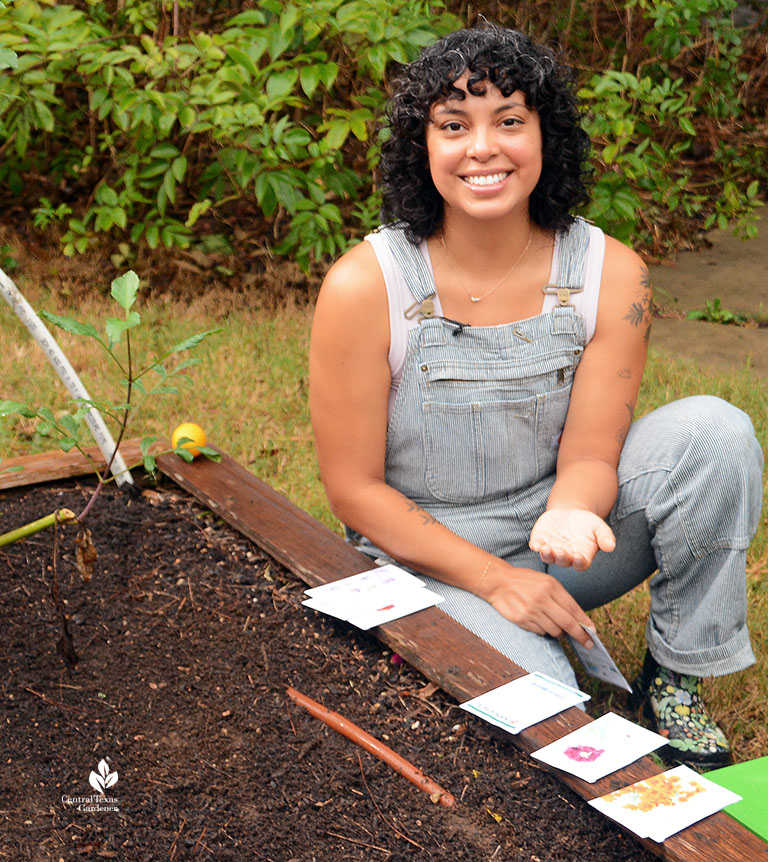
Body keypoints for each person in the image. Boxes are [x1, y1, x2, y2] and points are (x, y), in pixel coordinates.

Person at [309, 24, 763, 768]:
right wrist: (497, 582)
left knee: (715, 434)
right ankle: (526, 644)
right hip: (420, 559)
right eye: (454, 124)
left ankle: (673, 679)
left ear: (545, 136)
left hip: (560, 536)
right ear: (422, 146)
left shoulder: (611, 273)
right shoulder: (366, 286)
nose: (482, 148)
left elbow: (590, 449)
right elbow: (353, 491)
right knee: (547, 724)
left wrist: (574, 508)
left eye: (509, 120)